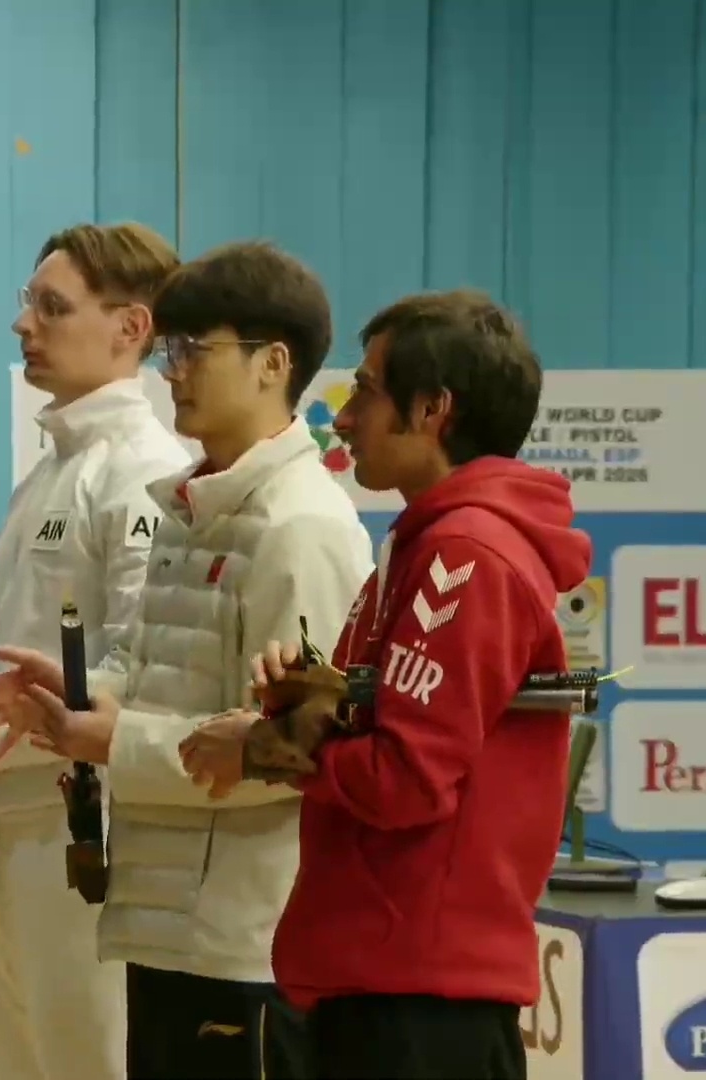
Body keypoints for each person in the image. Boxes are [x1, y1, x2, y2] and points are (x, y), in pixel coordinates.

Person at [0, 241, 373, 1080]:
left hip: (243, 941)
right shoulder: (189, 509)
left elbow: (297, 750)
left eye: (194, 350)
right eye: (172, 349)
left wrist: (109, 738)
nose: (172, 369)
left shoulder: (303, 526)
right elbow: (152, 676)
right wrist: (74, 696)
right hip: (163, 923)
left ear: (272, 364)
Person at [221, 289, 593, 1080]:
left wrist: (261, 749)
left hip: (421, 1008)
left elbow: (405, 778)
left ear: (432, 410)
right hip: (381, 988)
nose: (345, 418)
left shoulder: (469, 556)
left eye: (365, 391)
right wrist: (306, 702)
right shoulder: (425, 545)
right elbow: (381, 722)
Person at [0, 222, 189, 1080]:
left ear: (130, 327)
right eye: (29, 303)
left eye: (52, 307)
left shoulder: (143, 471)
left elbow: (141, 674)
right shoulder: (50, 473)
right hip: (4, 828)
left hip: (80, 836)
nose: (24, 324)